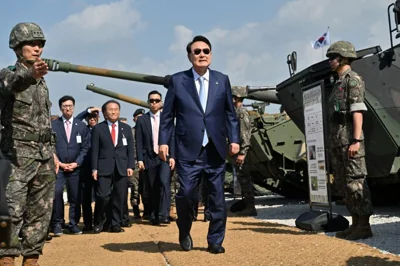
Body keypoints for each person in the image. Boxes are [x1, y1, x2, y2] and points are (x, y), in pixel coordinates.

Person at [159, 35, 240, 254]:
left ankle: (215, 240)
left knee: (217, 198)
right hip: (188, 150)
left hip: (215, 148)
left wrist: (234, 139)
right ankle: (184, 230)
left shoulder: (221, 80)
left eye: (206, 51)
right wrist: (163, 142)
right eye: (197, 51)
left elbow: (230, 114)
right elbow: (167, 117)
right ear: (189, 56)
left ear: (211, 55)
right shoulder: (178, 81)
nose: (202, 54)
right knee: (186, 194)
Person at [0, 22, 59, 265]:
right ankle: (6, 258)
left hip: (44, 156)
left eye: (40, 45)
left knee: (40, 214)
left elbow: (44, 122)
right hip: (17, 158)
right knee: (10, 212)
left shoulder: (43, 83)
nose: (37, 49)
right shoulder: (6, 74)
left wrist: (52, 152)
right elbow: (13, 84)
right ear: (17, 47)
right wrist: (30, 74)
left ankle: (31, 258)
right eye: (32, 44)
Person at [326, 40, 373, 240]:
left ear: (343, 58)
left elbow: (357, 112)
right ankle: (354, 223)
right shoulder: (337, 82)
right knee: (344, 184)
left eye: (332, 58)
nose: (330, 62)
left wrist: (355, 140)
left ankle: (364, 225)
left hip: (349, 141)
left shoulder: (352, 80)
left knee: (356, 183)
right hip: (338, 142)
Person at [91, 100, 134, 233]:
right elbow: (95, 150)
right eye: (110, 109)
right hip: (104, 166)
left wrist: (130, 166)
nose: (114, 112)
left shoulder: (126, 128)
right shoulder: (98, 128)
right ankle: (99, 221)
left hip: (121, 166)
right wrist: (94, 168)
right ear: (104, 113)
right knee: (103, 195)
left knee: (119, 196)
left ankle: (115, 223)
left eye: (116, 109)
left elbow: (130, 150)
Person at [50, 96, 89, 235]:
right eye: (65, 106)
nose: (68, 108)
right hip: (58, 167)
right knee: (57, 193)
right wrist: (58, 162)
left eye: (70, 106)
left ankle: (73, 223)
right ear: (60, 107)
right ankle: (57, 223)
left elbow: (85, 147)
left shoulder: (81, 125)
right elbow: (50, 145)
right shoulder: (54, 125)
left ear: (74, 107)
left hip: (75, 168)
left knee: (75, 196)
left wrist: (77, 162)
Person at [136, 91, 175, 225]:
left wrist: (172, 156)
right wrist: (140, 159)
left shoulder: (167, 118)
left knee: (164, 183)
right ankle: (153, 215)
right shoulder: (142, 120)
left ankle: (163, 214)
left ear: (161, 102)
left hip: (164, 156)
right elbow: (139, 140)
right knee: (152, 187)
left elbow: (172, 138)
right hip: (149, 157)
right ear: (148, 102)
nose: (154, 103)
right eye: (151, 100)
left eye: (156, 100)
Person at [230, 86, 257, 216]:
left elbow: (245, 135)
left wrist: (242, 153)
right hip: (238, 152)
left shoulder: (241, 113)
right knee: (242, 179)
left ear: (235, 98)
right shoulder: (236, 112)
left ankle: (250, 206)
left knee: (245, 179)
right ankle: (246, 203)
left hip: (242, 152)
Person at [75, 106, 100, 231]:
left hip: (99, 168)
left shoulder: (102, 129)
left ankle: (99, 221)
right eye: (90, 117)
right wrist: (88, 111)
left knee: (101, 196)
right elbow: (77, 119)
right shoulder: (83, 129)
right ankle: (88, 223)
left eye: (94, 117)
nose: (92, 119)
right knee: (86, 198)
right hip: (85, 168)